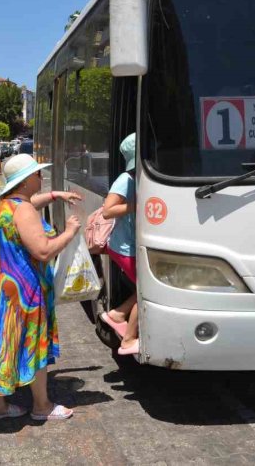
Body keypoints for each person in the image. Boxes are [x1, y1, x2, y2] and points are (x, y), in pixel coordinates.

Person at [0, 153, 82, 421]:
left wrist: (55, 195)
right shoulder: (24, 211)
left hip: (2, 288)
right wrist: (69, 232)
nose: (40, 177)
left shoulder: (5, 205)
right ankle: (42, 406)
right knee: (34, 345)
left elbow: (30, 202)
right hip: (26, 293)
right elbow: (43, 251)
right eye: (36, 175)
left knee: (2, 341)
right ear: (24, 181)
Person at [99, 133, 139, 355]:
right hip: (125, 248)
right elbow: (108, 211)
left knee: (144, 289)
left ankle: (117, 315)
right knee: (148, 292)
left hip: (129, 246)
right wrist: (134, 205)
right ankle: (128, 340)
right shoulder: (126, 179)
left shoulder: (138, 177)